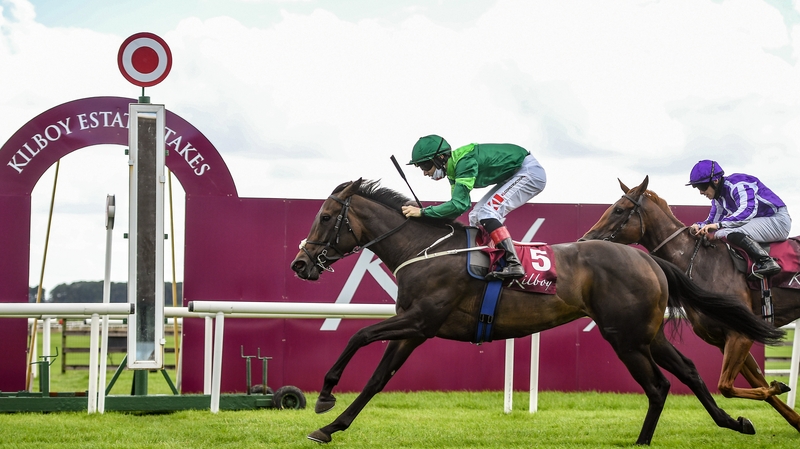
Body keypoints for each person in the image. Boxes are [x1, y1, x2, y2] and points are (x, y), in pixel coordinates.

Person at [401, 134, 546, 281]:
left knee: (487, 213)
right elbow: (458, 207)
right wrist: (428, 219)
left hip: (529, 172)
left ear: (441, 157)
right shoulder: (453, 171)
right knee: (475, 216)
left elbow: (459, 205)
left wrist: (423, 212)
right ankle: (491, 259)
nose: (425, 172)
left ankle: (514, 263)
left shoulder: (464, 163)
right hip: (514, 174)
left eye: (425, 166)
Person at [686, 159, 791, 277]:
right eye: (697, 187)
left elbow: (748, 210)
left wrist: (718, 225)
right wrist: (698, 226)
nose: (701, 192)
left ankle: (766, 262)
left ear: (715, 180)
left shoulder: (738, 184)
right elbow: (712, 221)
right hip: (761, 221)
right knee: (721, 231)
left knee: (725, 232)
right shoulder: (718, 198)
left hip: (777, 220)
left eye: (702, 186)